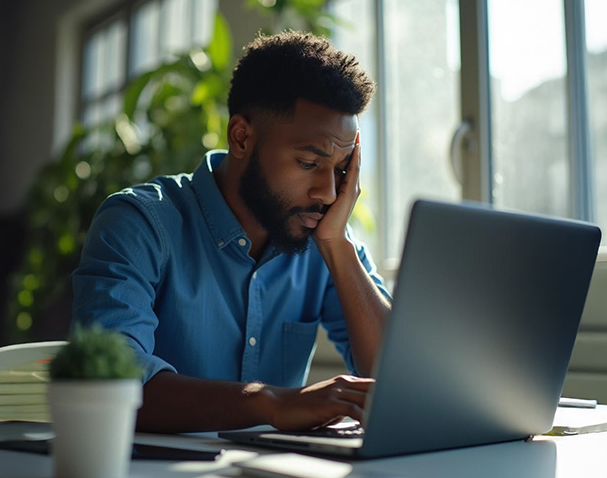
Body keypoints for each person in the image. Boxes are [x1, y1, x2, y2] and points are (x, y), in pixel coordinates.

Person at [72, 31, 392, 433]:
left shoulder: (326, 238)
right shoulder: (139, 222)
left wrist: (337, 247)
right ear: (241, 137)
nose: (328, 192)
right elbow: (110, 383)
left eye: (343, 169)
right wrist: (271, 402)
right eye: (310, 163)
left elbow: (400, 382)